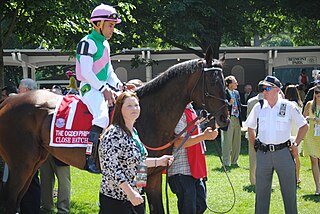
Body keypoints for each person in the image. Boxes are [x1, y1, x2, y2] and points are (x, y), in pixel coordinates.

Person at [75, 3, 134, 173]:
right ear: (98, 24)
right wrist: (104, 89)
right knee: (101, 117)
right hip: (88, 88)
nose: (112, 30)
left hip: (101, 86)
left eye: (113, 26)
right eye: (110, 25)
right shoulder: (87, 42)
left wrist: (120, 86)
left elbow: (109, 72)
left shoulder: (105, 45)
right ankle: (90, 158)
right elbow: (86, 72)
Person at [98, 91, 173, 214]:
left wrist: (159, 161)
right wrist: (130, 193)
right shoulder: (113, 134)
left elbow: (138, 161)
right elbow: (111, 168)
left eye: (136, 105)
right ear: (120, 109)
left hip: (135, 197)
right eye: (129, 106)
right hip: (116, 199)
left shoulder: (134, 132)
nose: (135, 108)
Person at [245, 76, 308, 214]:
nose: (264, 92)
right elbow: (250, 127)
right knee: (261, 194)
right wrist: (254, 144)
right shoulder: (259, 106)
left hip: (283, 153)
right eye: (262, 89)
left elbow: (304, 126)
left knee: (289, 193)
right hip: (264, 154)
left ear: (277, 90)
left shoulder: (289, 106)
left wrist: (296, 143)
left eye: (267, 88)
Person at [168, 103, 218, 214]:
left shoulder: (190, 109)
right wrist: (204, 136)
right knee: (188, 208)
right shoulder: (178, 111)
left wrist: (209, 133)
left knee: (201, 204)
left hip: (194, 169)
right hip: (181, 169)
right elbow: (178, 142)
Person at [40, 86, 71, 214]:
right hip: (46, 151)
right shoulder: (44, 113)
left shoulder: (68, 112)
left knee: (64, 182)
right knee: (46, 180)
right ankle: (47, 206)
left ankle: (63, 209)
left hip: (61, 153)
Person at [18, 78, 41, 214]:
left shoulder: (29, 105)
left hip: (29, 150)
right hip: (29, 150)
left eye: (20, 87)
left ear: (26, 89)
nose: (18, 89)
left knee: (30, 181)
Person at [221, 75, 243, 167]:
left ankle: (234, 161)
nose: (237, 84)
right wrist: (228, 103)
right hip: (228, 119)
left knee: (237, 141)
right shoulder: (223, 93)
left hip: (237, 118)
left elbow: (240, 105)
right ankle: (226, 162)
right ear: (228, 84)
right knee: (227, 141)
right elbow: (221, 105)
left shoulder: (237, 93)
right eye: (234, 82)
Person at [302, 84, 320, 195]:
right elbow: (302, 118)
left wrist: (315, 119)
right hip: (311, 135)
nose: (318, 95)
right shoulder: (309, 104)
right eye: (316, 92)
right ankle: (318, 187)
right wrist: (307, 119)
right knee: (313, 160)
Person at [284, 84, 303, 184]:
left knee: (290, 157)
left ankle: (292, 177)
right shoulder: (300, 104)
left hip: (290, 130)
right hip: (298, 131)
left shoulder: (288, 105)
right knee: (296, 156)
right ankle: (297, 176)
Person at [246, 86, 264, 186]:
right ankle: (254, 180)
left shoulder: (251, 101)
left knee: (254, 157)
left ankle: (255, 180)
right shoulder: (252, 102)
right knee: (254, 156)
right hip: (255, 132)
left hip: (258, 132)